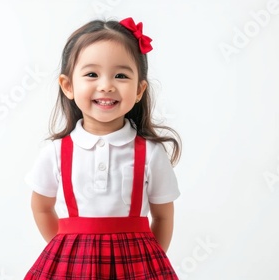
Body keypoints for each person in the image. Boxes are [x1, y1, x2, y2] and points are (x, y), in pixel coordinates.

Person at [23, 17, 182, 279]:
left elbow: (163, 216)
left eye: (120, 75)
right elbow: (41, 206)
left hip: (136, 267)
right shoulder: (55, 152)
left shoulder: (150, 153)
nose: (106, 85)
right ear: (68, 86)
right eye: (92, 74)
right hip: (73, 265)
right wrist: (67, 248)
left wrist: (149, 260)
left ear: (140, 89)